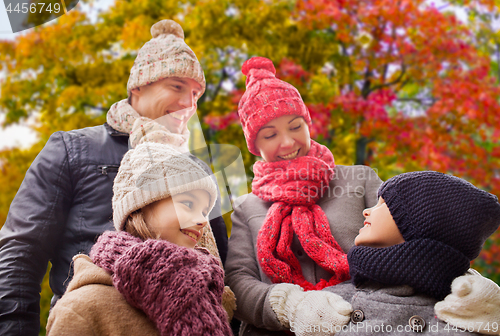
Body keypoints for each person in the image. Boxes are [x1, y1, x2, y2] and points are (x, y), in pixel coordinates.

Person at [0, 19, 228, 336]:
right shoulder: (72, 149)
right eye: (176, 87)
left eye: (195, 93)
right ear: (138, 86)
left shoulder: (195, 169)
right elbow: (20, 253)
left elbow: (223, 268)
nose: (189, 104)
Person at [224, 56, 383, 335]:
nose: (287, 142)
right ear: (254, 144)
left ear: (308, 124)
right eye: (270, 135)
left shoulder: (361, 180)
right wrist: (290, 307)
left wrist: (348, 301)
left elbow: (403, 243)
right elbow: (237, 281)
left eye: (296, 127)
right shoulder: (246, 208)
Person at [46, 138, 235, 336]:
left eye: (205, 211)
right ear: (139, 207)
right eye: (188, 204)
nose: (203, 221)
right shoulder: (82, 309)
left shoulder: (210, 296)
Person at [299, 171, 499, 335]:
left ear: (425, 223)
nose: (366, 211)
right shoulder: (329, 305)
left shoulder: (471, 315)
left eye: (384, 204)